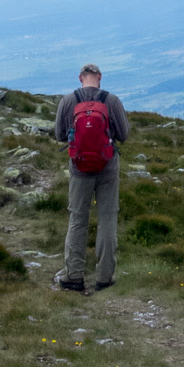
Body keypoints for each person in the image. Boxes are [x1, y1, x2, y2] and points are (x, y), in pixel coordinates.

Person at [53, 63, 130, 293]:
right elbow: (124, 135)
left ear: (80, 78)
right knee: (107, 218)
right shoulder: (111, 100)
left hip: (79, 169)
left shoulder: (68, 101)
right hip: (107, 167)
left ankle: (74, 276)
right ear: (99, 77)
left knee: (78, 218)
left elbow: (58, 135)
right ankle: (104, 277)